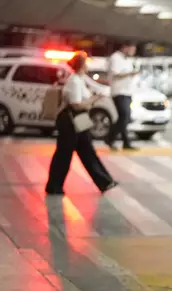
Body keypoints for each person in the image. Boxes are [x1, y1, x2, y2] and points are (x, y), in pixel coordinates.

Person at [45, 52, 117, 195]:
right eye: (86, 63)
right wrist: (95, 98)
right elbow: (77, 105)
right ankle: (54, 186)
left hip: (81, 118)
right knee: (64, 154)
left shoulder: (80, 78)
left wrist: (98, 95)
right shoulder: (74, 81)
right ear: (81, 65)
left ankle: (105, 181)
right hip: (70, 119)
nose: (87, 66)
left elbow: (93, 88)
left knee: (87, 150)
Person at [105, 41, 140, 150]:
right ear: (125, 47)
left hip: (128, 91)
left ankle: (126, 142)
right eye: (132, 49)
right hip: (119, 92)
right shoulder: (115, 57)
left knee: (125, 118)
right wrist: (131, 73)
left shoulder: (128, 60)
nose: (133, 52)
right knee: (124, 116)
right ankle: (110, 138)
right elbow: (116, 73)